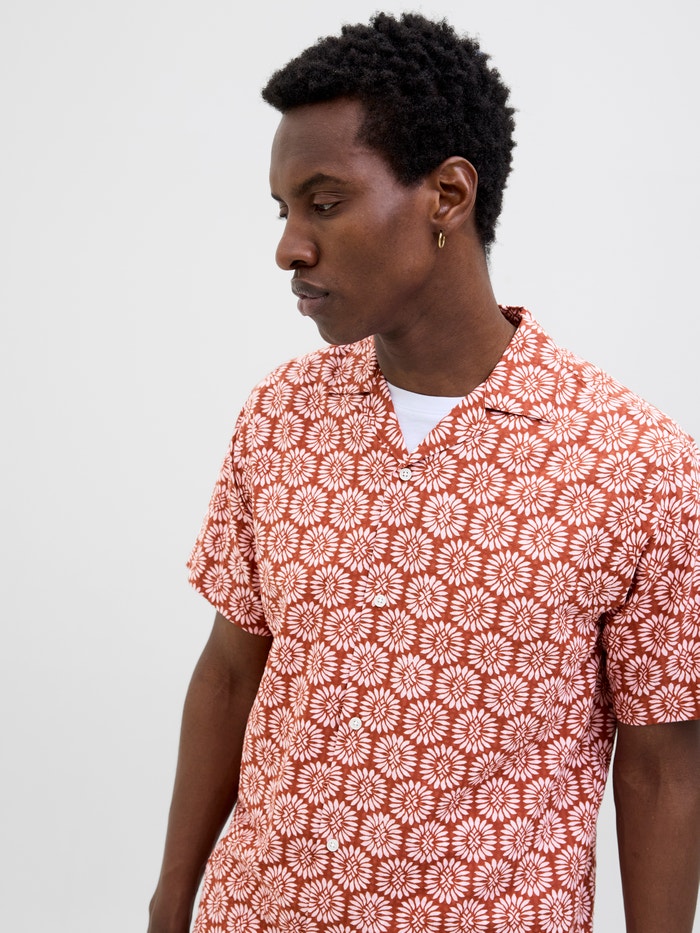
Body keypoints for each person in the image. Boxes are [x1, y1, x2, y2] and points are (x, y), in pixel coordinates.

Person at [148, 12, 700, 933]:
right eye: (284, 211)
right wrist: (171, 901)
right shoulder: (280, 415)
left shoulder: (636, 463)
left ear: (447, 194)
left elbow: (662, 767)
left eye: (324, 203)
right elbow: (230, 675)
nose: (289, 247)